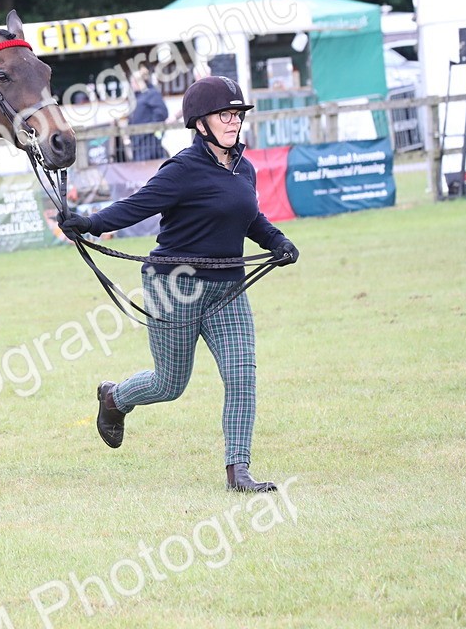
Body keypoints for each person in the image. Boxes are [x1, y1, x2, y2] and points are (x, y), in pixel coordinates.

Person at [58, 76, 299, 493]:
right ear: (200, 122)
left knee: (243, 377)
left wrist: (277, 240)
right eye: (225, 114)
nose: (234, 121)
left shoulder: (245, 169)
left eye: (237, 114)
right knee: (170, 384)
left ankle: (238, 472)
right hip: (174, 288)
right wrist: (91, 223)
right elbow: (137, 205)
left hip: (228, 290)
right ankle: (115, 398)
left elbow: (249, 217)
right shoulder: (182, 170)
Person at [128, 68, 168, 161]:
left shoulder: (152, 94)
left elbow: (162, 113)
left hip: (149, 141)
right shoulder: (137, 97)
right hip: (137, 141)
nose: (132, 85)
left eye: (133, 82)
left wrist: (150, 128)